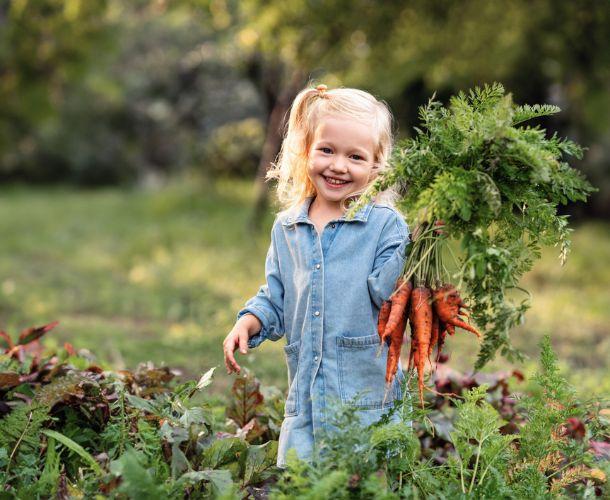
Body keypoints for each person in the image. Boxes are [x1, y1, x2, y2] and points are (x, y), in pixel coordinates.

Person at [222, 83, 410, 468]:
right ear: (305, 151)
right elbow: (275, 294)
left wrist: (417, 243)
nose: (338, 165)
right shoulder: (287, 227)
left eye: (355, 156)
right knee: (304, 481)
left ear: (376, 165)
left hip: (366, 390)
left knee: (366, 483)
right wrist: (249, 320)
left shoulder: (385, 224)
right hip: (308, 394)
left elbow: (389, 291)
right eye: (326, 150)